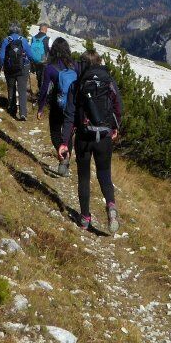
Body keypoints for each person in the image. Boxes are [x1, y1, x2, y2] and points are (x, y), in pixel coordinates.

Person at [59, 50, 122, 234]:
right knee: (104, 174)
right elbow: (118, 107)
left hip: (84, 138)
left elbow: (69, 115)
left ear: (82, 64)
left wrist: (64, 142)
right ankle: (111, 205)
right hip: (104, 136)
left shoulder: (77, 85)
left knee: (84, 177)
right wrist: (115, 127)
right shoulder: (109, 82)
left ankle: (85, 218)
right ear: (99, 62)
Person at [36, 37, 78, 177]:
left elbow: (44, 89)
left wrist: (40, 108)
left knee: (55, 132)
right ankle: (65, 162)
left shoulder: (50, 68)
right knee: (69, 133)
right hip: (73, 106)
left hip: (57, 104)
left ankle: (61, 151)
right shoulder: (75, 65)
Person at [0, 23, 31, 120]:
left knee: (11, 87)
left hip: (10, 68)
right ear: (19, 30)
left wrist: (1, 65)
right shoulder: (23, 40)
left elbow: (1, 56)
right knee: (22, 89)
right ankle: (23, 113)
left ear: (10, 30)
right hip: (23, 67)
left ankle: (12, 109)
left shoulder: (6, 40)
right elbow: (30, 54)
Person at [29, 24, 52, 98]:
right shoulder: (48, 39)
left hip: (36, 62)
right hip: (44, 62)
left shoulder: (33, 38)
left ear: (39, 29)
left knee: (39, 78)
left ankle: (40, 93)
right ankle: (43, 96)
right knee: (45, 79)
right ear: (46, 30)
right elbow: (52, 51)